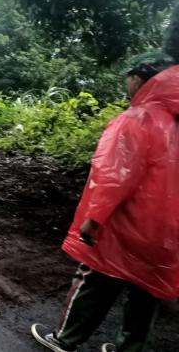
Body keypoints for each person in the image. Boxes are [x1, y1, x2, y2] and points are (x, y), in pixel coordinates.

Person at [30, 52, 178, 352]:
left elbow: (115, 176)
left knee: (96, 278)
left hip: (128, 222)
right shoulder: (175, 124)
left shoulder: (138, 119)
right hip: (167, 231)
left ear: (138, 79)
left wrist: (95, 218)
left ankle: (65, 339)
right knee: (146, 289)